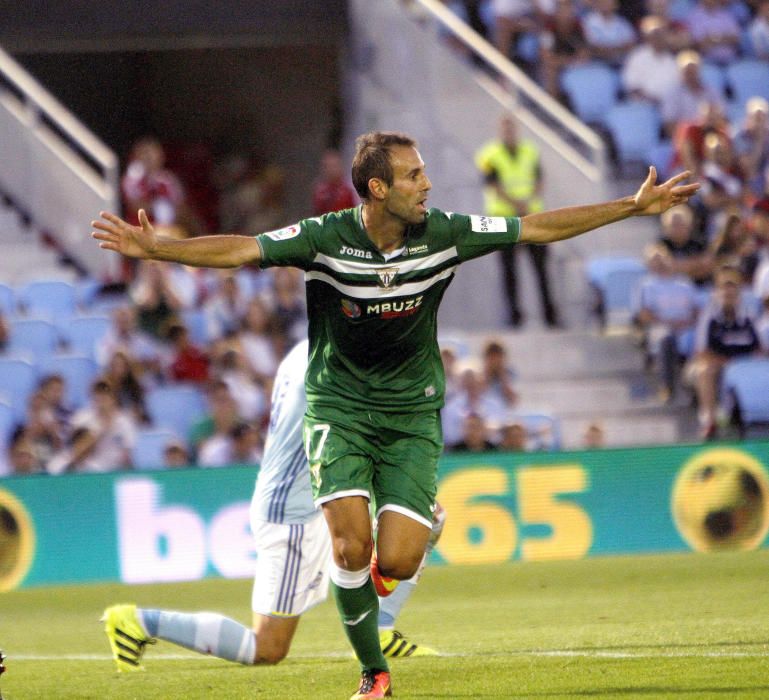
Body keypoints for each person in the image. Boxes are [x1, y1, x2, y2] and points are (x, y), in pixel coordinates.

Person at [93, 130, 699, 699]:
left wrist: (629, 206)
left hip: (411, 412)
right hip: (340, 408)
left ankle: (366, 597)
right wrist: (159, 249)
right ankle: (373, 674)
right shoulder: (324, 238)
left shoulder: (448, 232)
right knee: (350, 550)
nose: (427, 184)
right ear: (378, 189)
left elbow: (535, 228)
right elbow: (242, 250)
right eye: (414, 176)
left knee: (401, 558)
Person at [102, 341, 444, 684]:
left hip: (316, 492)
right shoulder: (331, 363)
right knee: (268, 646)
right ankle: (137, 622)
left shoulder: (305, 349)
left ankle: (380, 628)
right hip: (294, 512)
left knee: (429, 519)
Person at [476, 113, 559, 327]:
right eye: (505, 128)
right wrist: (517, 202)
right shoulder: (489, 154)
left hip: (531, 216)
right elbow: (492, 184)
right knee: (509, 271)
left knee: (541, 268)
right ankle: (514, 317)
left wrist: (528, 201)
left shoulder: (530, 151)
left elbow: (540, 179)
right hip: (503, 219)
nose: (509, 132)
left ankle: (550, 315)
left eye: (511, 128)